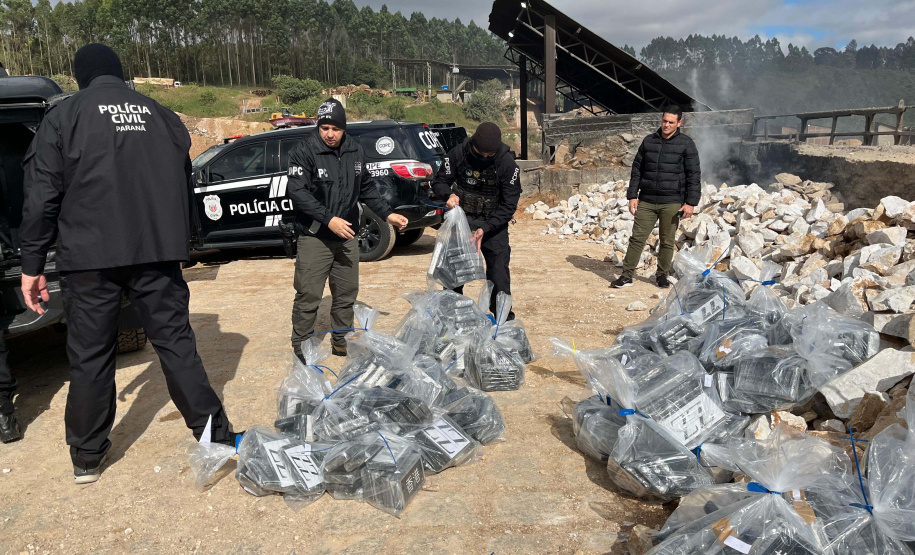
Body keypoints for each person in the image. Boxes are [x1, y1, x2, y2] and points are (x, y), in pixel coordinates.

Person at [19, 44, 238, 484]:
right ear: (120, 73)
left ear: (81, 76)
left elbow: (42, 196)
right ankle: (215, 436)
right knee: (176, 344)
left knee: (90, 354)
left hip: (89, 258)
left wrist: (32, 263)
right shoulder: (162, 116)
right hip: (156, 252)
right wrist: (186, 243)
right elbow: (184, 183)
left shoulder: (64, 117)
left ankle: (86, 456)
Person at [287, 98, 408, 358]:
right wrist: (328, 219)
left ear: (344, 129)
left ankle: (341, 341)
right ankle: (302, 348)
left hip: (347, 236)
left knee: (345, 294)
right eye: (325, 128)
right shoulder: (303, 151)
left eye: (336, 129)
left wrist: (389, 215)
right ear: (319, 127)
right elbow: (298, 193)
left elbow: (366, 189)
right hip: (315, 236)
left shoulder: (354, 150)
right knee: (308, 295)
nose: (330, 134)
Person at [432, 122, 521, 316]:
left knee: (499, 275)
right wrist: (448, 195)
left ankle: (503, 321)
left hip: (493, 223)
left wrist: (485, 229)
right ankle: (451, 317)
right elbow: (439, 181)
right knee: (454, 273)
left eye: (490, 155)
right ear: (473, 145)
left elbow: (509, 205)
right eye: (481, 154)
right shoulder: (457, 154)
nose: (486, 158)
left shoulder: (507, 163)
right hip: (461, 220)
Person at [611, 105, 700, 289]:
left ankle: (662, 276)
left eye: (671, 122)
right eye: (664, 120)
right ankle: (627, 276)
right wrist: (632, 196)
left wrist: (691, 202)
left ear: (679, 123)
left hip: (672, 201)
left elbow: (694, 174)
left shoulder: (686, 143)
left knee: (667, 241)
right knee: (637, 238)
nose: (666, 125)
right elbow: (637, 169)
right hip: (647, 200)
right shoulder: (648, 141)